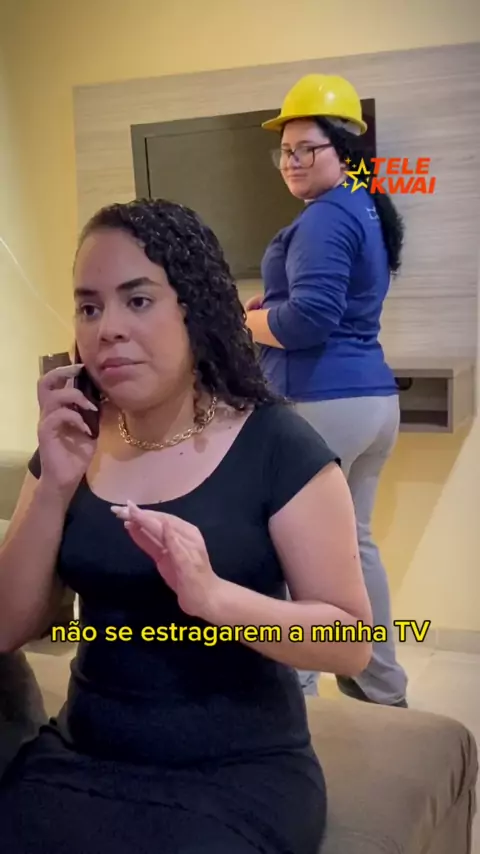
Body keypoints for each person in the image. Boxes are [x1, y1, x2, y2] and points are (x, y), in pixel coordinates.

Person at [0, 198, 373, 854]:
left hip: (236, 774)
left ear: (194, 309)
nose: (108, 329)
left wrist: (215, 599)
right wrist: (54, 485)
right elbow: (8, 627)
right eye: (89, 307)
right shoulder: (73, 442)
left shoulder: (278, 447)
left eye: (138, 300)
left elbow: (351, 642)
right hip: (83, 757)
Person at [245, 73, 408, 708]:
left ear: (343, 149)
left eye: (306, 148)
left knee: (295, 554)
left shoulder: (323, 218)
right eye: (285, 150)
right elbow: (325, 308)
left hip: (322, 402)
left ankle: (298, 696)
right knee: (355, 547)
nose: (291, 161)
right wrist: (271, 310)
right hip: (372, 401)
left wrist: (245, 321)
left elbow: (307, 323)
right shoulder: (362, 207)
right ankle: (382, 686)